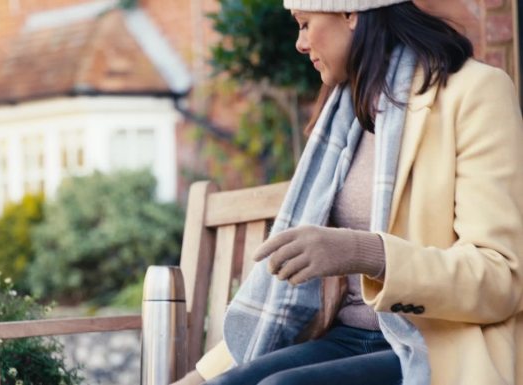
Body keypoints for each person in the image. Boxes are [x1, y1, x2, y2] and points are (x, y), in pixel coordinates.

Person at [172, 0, 523, 384]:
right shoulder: (343, 114)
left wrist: (361, 252)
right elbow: (277, 296)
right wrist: (204, 375)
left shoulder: (475, 92)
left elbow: (500, 278)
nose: (300, 44)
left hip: (433, 344)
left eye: (305, 24)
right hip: (347, 337)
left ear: (350, 14)